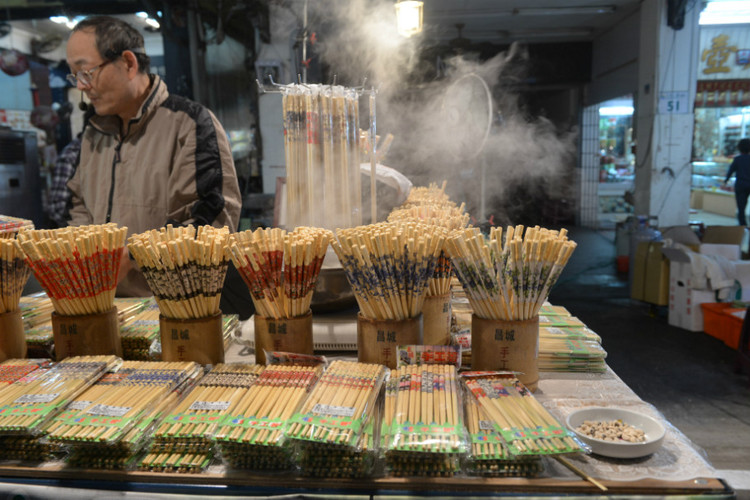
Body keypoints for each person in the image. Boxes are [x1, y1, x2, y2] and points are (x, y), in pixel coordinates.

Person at [64, 16, 242, 297]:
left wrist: (134, 255)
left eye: (86, 72)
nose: (81, 86)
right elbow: (79, 206)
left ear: (129, 63)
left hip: (172, 309)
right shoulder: (94, 133)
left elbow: (213, 223)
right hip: (103, 305)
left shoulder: (189, 124)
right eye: (74, 75)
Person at [724, 137, 750, 227]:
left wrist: (726, 181)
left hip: (740, 185)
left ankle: (742, 224)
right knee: (745, 202)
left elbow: (730, 171)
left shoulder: (738, 159)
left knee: (741, 206)